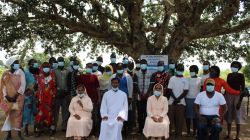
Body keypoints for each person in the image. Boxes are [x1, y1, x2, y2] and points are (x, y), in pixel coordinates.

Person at [0, 56, 26, 140]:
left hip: (18, 98)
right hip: (8, 99)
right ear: (11, 65)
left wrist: (16, 96)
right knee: (9, 116)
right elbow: (3, 86)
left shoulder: (20, 72)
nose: (18, 64)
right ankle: (9, 134)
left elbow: (23, 85)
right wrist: (6, 96)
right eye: (16, 63)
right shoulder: (5, 74)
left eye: (18, 63)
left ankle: (19, 134)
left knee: (18, 115)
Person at [224, 61, 246, 140]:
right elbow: (226, 87)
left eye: (236, 66)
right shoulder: (229, 75)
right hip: (228, 96)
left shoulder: (241, 75)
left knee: (237, 116)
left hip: (237, 96)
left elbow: (243, 89)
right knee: (229, 114)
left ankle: (237, 136)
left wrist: (240, 101)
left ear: (239, 68)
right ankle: (228, 134)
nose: (234, 67)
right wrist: (224, 97)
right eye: (233, 66)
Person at [109, 63, 133, 135]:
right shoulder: (113, 76)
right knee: (115, 113)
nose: (120, 70)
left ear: (123, 69)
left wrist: (130, 97)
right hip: (114, 98)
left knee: (124, 113)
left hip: (125, 98)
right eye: (118, 68)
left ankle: (124, 130)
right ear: (116, 69)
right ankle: (116, 129)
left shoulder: (127, 76)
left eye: (121, 68)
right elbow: (109, 87)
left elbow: (130, 87)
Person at [78, 63, 100, 137]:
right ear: (85, 67)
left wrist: (99, 98)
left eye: (91, 67)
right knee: (85, 116)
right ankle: (85, 132)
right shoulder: (81, 76)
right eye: (88, 67)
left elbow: (98, 88)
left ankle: (94, 132)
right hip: (84, 100)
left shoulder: (94, 76)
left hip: (94, 99)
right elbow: (79, 88)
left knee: (94, 117)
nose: (89, 68)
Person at [35, 62, 56, 137]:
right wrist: (37, 99)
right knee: (40, 116)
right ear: (42, 68)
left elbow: (54, 88)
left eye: (47, 66)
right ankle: (39, 130)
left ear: (50, 68)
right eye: (44, 67)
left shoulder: (52, 76)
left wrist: (53, 99)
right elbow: (38, 88)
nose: (46, 68)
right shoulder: (39, 77)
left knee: (49, 115)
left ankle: (50, 130)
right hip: (41, 100)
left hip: (50, 100)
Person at [167, 63, 188, 137]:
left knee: (180, 120)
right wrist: (175, 99)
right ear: (176, 70)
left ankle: (178, 134)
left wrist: (178, 99)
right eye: (179, 69)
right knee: (170, 119)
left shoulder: (185, 79)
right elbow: (169, 90)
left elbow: (185, 91)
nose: (180, 70)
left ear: (183, 70)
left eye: (181, 69)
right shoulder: (172, 78)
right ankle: (168, 133)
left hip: (181, 103)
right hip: (171, 102)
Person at [23, 59, 39, 136]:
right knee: (27, 113)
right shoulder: (26, 73)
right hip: (27, 96)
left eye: (36, 63)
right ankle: (25, 130)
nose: (35, 65)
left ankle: (35, 129)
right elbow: (23, 84)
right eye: (33, 63)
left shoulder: (38, 73)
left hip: (37, 96)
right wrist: (29, 88)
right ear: (30, 65)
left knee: (36, 112)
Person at [136, 59, 153, 134]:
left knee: (147, 113)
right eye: (142, 63)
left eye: (144, 63)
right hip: (139, 97)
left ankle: (147, 128)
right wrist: (140, 94)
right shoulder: (136, 73)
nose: (143, 65)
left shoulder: (151, 73)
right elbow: (135, 85)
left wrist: (146, 94)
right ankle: (140, 129)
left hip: (148, 96)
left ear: (147, 64)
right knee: (140, 113)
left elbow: (151, 85)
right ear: (140, 64)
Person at [54, 57, 70, 132]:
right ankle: (54, 126)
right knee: (55, 111)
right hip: (57, 94)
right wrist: (57, 91)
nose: (61, 63)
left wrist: (66, 91)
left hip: (65, 94)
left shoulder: (67, 71)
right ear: (57, 63)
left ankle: (64, 126)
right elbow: (53, 83)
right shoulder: (54, 71)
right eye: (59, 61)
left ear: (64, 62)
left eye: (62, 61)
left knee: (65, 111)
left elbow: (68, 82)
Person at [185, 65, 201, 136]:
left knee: (195, 117)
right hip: (187, 99)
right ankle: (188, 131)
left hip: (197, 100)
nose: (191, 72)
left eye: (193, 70)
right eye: (190, 70)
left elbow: (202, 89)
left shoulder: (200, 79)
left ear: (196, 71)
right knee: (188, 117)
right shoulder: (186, 79)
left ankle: (195, 132)